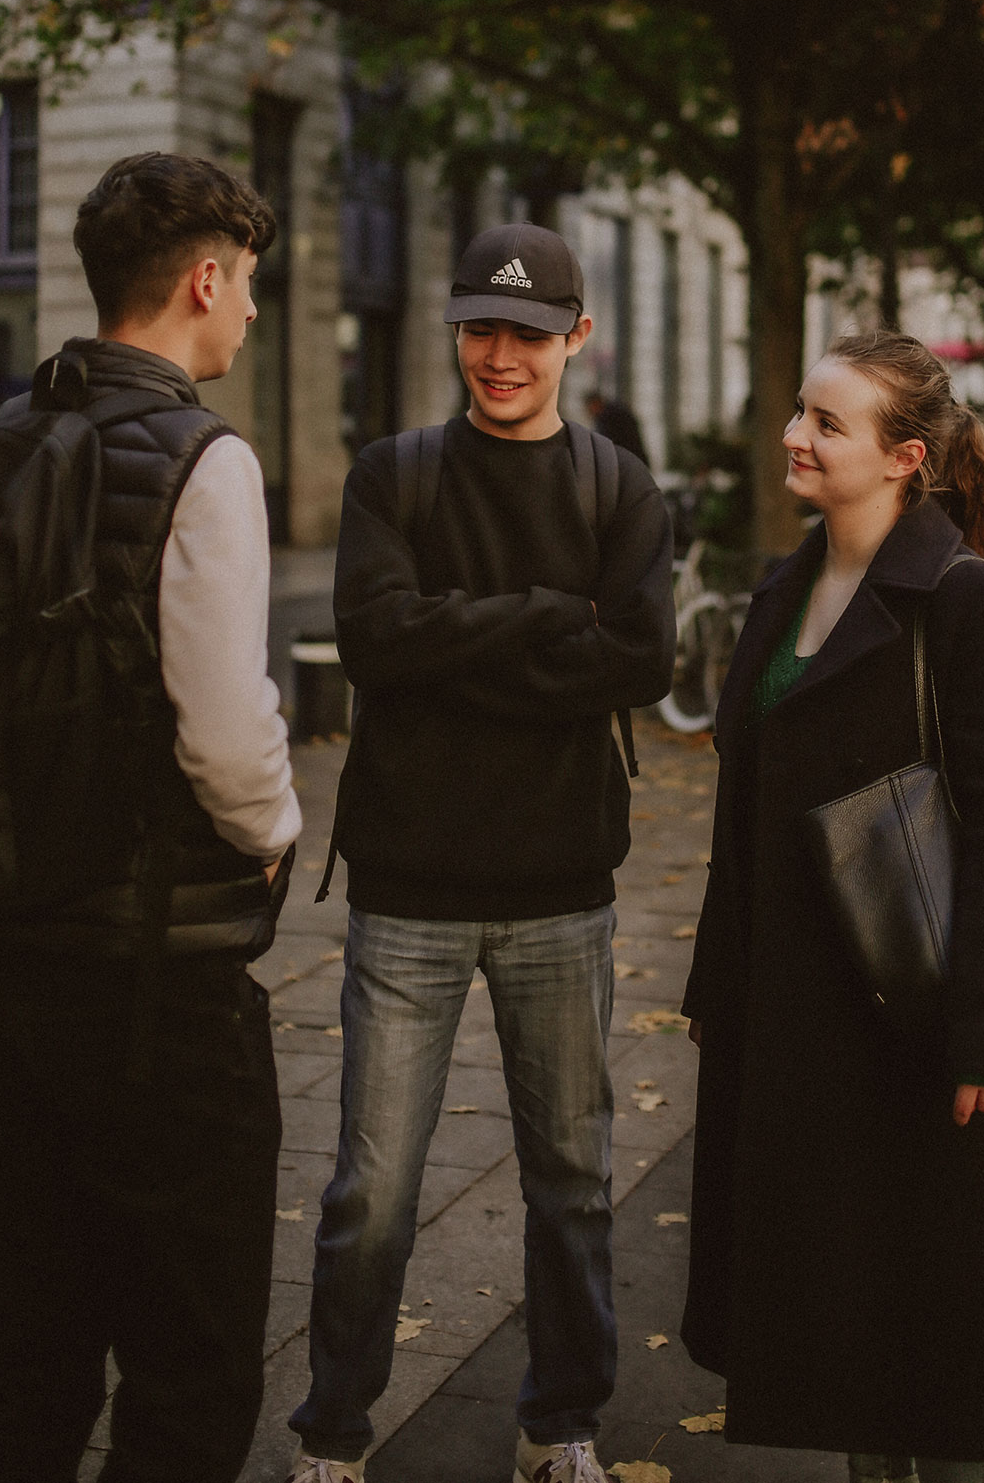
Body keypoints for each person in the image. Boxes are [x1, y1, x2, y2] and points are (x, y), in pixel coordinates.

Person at [288, 223, 676, 1483]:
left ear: (577, 335)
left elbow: (642, 660)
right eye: (478, 329)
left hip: (563, 893)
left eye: (524, 332)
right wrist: (550, 627)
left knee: (573, 1181)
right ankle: (333, 1439)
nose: (498, 355)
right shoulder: (394, 474)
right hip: (406, 891)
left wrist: (461, 646)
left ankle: (560, 1428)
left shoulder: (618, 488)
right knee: (370, 1194)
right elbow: (376, 640)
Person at [0, 153, 302, 1483]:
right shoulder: (202, 460)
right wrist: (273, 831)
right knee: (188, 1372)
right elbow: (224, 736)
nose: (255, 316)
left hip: (15, 953)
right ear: (206, 279)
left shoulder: (4, 433)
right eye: (251, 286)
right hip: (164, 986)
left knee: (30, 1364)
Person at [680, 329, 984, 1483]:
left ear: (906, 458)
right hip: (799, 1035)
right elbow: (740, 817)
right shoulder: (782, 591)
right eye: (800, 413)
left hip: (924, 1037)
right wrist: (719, 986)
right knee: (845, 1344)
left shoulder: (971, 604)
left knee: (944, 1364)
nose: (795, 437)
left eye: (826, 423)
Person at [585, 387, 652, 467]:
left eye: (590, 408)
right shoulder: (607, 414)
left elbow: (610, 441)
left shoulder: (610, 416)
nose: (589, 412)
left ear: (595, 403)